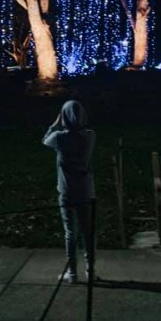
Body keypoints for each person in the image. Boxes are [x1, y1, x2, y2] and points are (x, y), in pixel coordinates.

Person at [42, 99, 97, 284]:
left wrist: (55, 123)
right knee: (88, 231)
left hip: (66, 190)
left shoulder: (60, 138)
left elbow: (44, 140)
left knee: (70, 232)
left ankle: (72, 273)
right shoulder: (90, 136)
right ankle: (91, 269)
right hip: (86, 190)